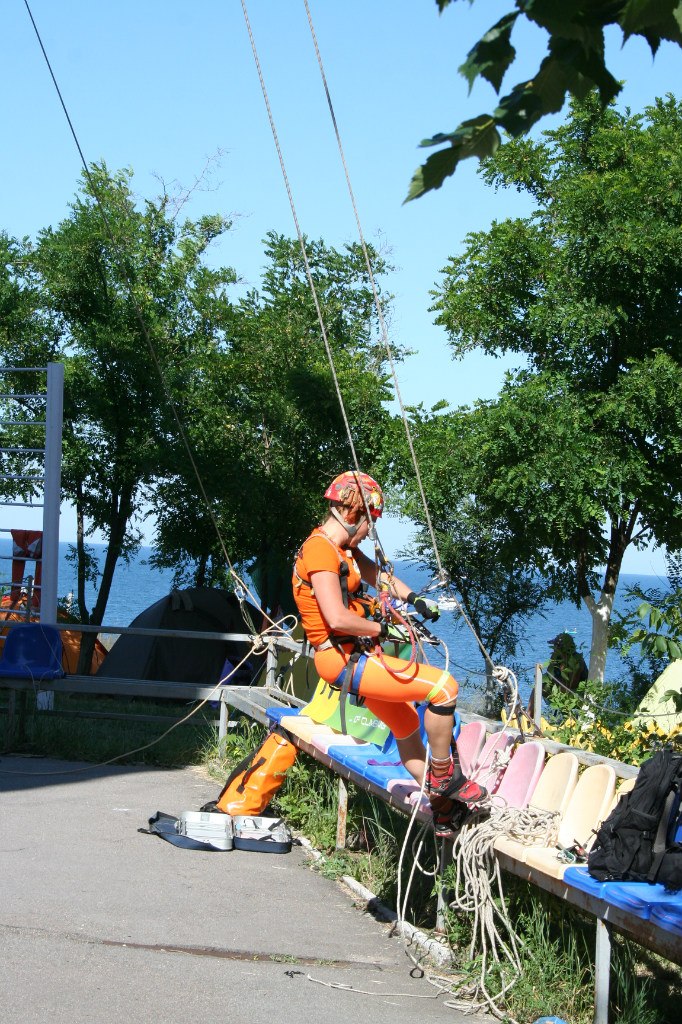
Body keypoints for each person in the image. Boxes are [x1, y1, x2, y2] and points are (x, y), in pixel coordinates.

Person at [292, 470, 487, 837]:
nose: (370, 531)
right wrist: (385, 628)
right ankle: (444, 778)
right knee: (444, 689)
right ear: (353, 514)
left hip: (352, 657)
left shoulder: (342, 549)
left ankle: (443, 810)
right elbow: (336, 616)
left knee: (406, 724)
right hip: (344, 658)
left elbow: (379, 577)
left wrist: (414, 599)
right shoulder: (320, 550)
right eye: (371, 522)